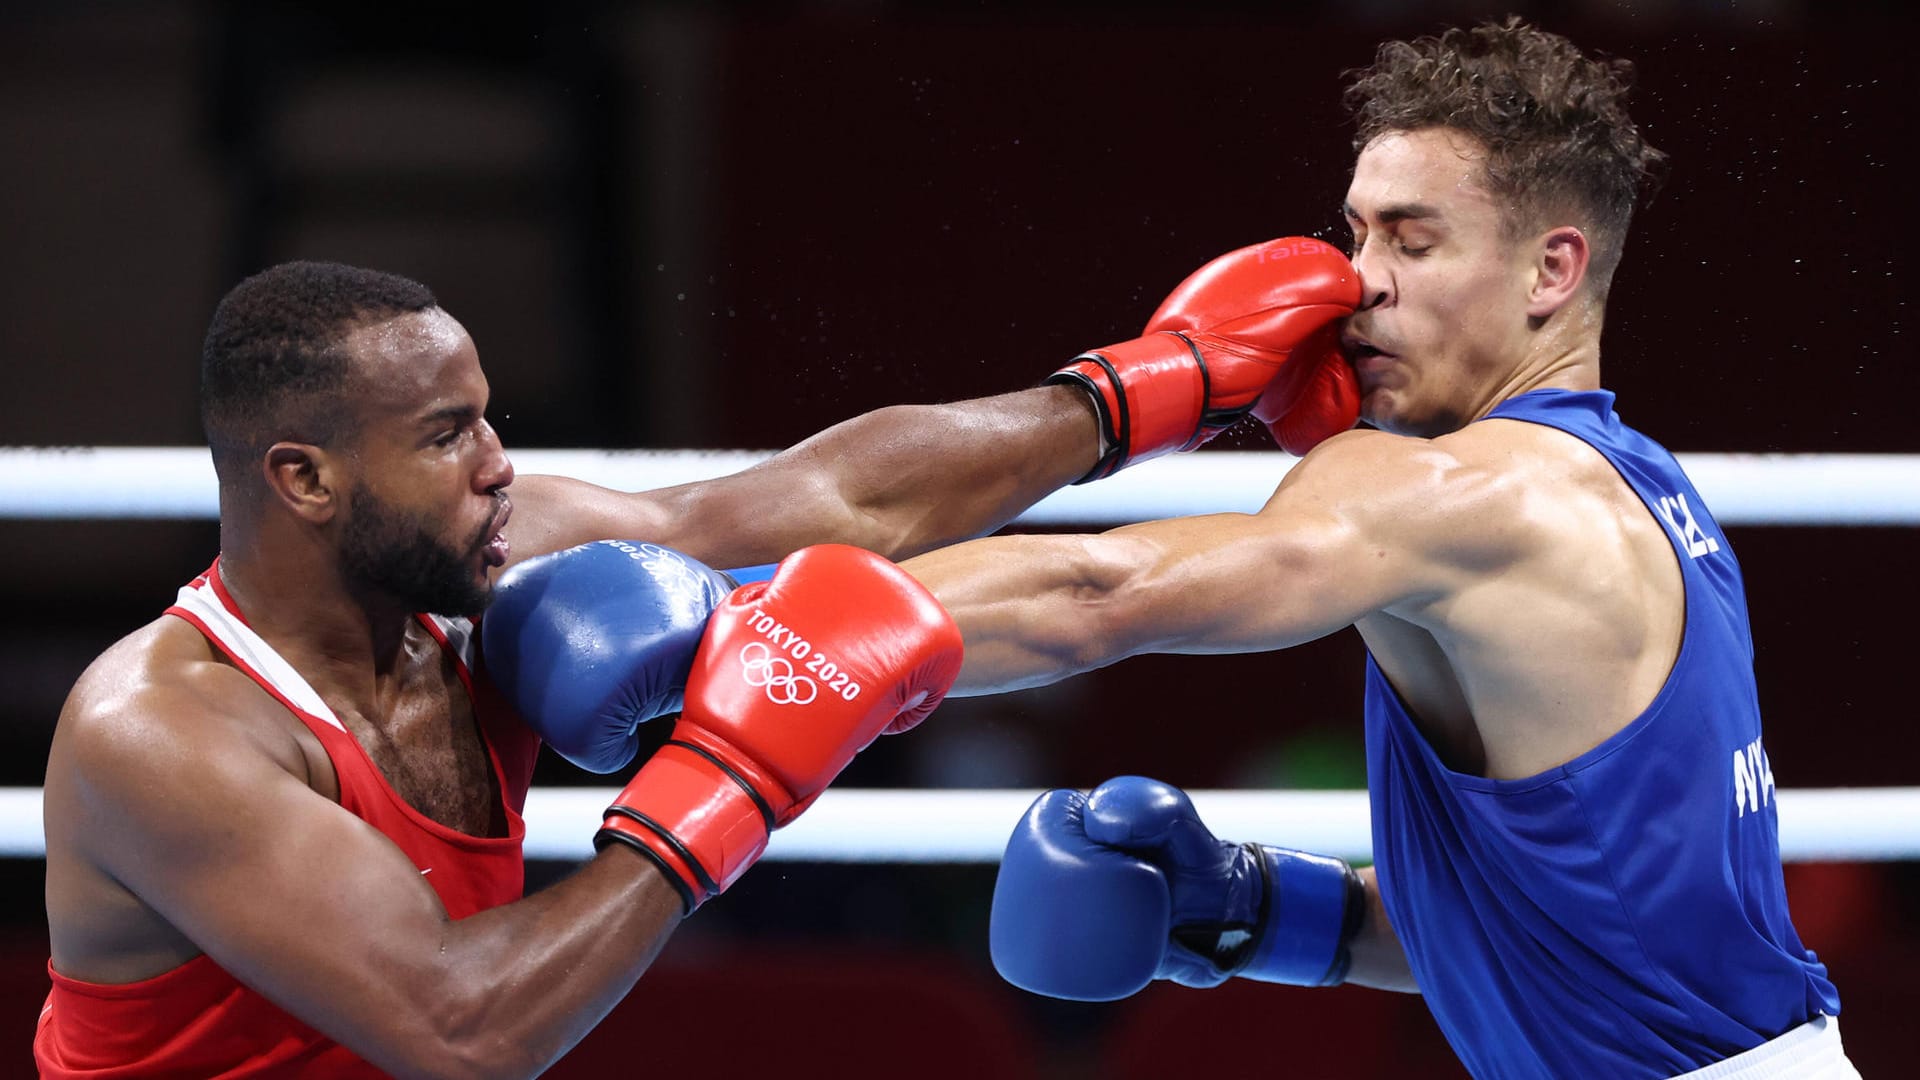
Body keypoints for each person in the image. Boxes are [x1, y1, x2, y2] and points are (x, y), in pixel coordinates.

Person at [37, 240, 1361, 1077]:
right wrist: (728, 780)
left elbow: (836, 504)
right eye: (446, 436)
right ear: (304, 480)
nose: (501, 465)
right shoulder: (165, 736)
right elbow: (463, 1031)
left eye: (489, 418)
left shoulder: (471, 572)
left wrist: (1142, 390)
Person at [899, 18, 1857, 1080]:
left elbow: (1096, 591)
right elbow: (1555, 918)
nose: (1357, 282)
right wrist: (1250, 910)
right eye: (1356, 235)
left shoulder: (1468, 490)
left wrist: (764, 622)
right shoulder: (1643, 485)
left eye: (1411, 240)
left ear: (1551, 271)